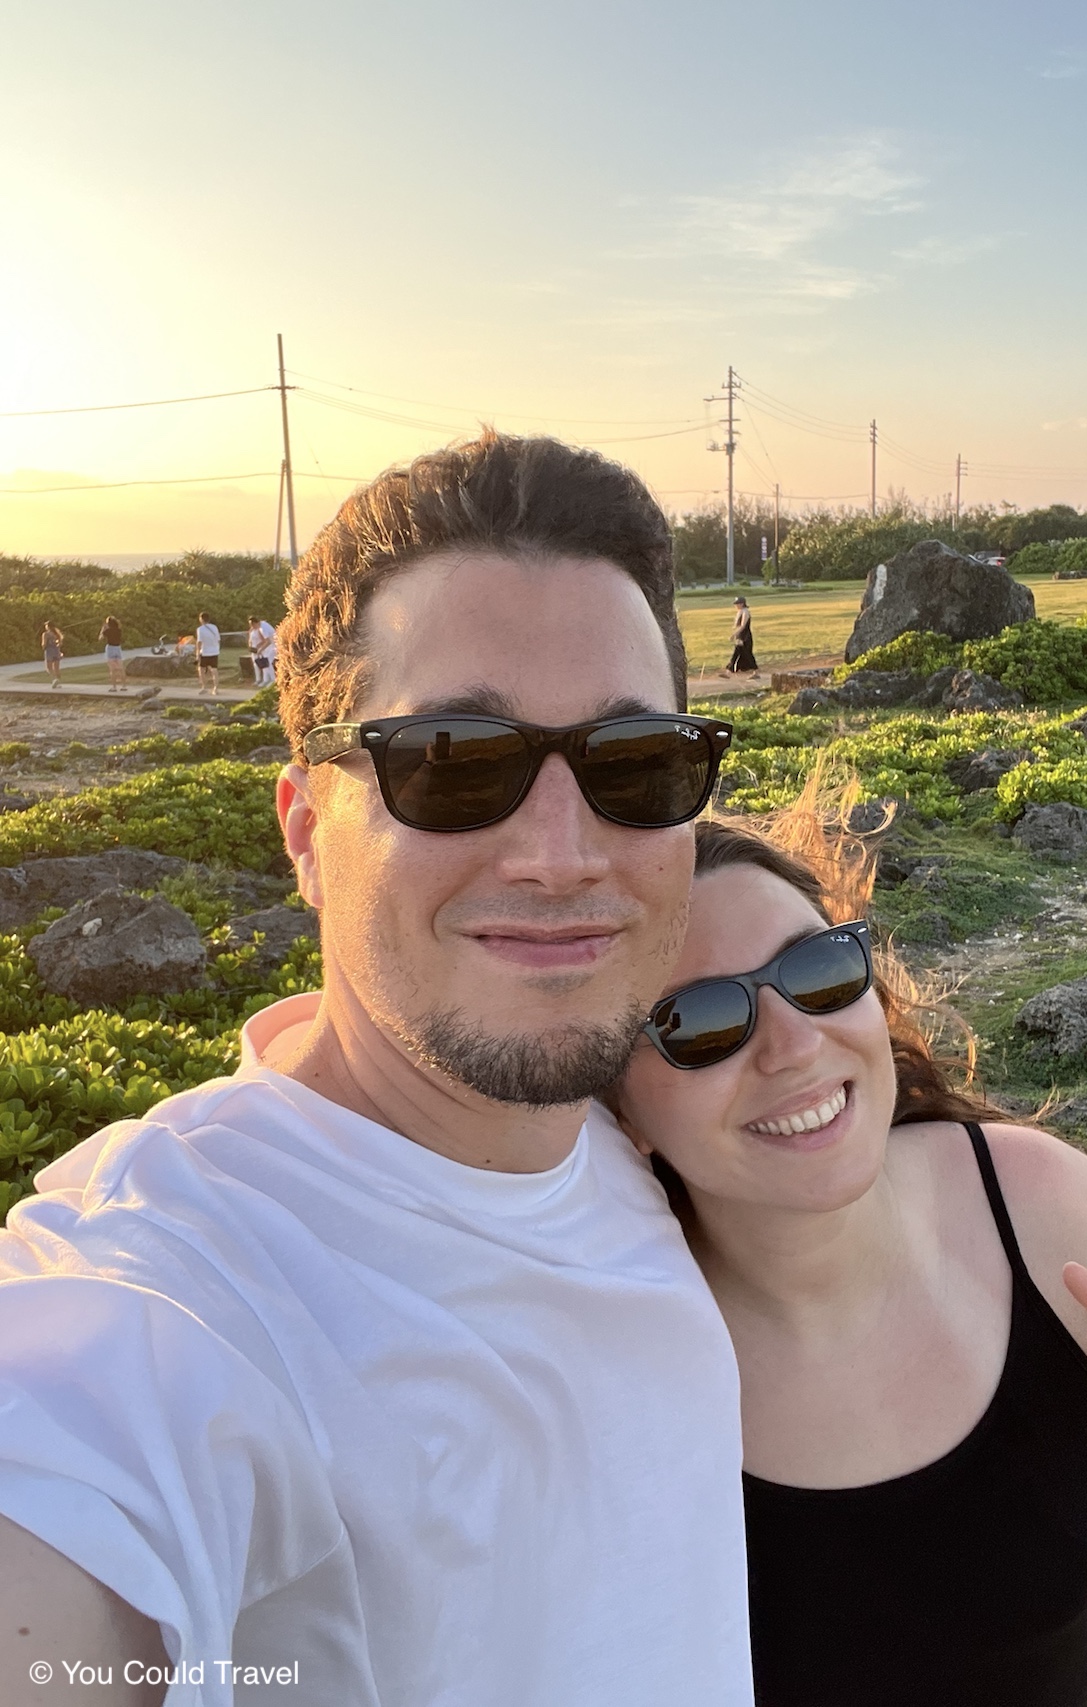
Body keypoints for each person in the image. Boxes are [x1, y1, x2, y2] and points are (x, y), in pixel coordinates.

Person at [0, 433, 754, 1707]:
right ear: (305, 828)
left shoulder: (667, 1139)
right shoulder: (171, 1286)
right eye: (454, 761)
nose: (561, 854)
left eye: (635, 765)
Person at [613, 800, 1087, 1707]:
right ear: (620, 1105)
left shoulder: (1034, 1205)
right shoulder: (603, 1346)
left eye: (818, 969)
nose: (797, 1044)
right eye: (698, 1021)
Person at [724, 595, 759, 676]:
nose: (736, 605)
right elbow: (736, 625)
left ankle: (755, 672)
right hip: (740, 636)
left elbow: (743, 626)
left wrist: (734, 634)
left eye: (737, 603)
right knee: (737, 653)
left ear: (742, 604)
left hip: (745, 636)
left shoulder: (745, 612)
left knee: (747, 654)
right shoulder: (740, 612)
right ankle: (729, 671)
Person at [195, 610, 220, 696]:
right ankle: (215, 688)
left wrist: (197, 654)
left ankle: (204, 687)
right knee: (214, 670)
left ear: (201, 619)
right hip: (215, 651)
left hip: (205, 651)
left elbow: (199, 642)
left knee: (201, 669)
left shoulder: (200, 629)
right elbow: (218, 639)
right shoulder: (214, 627)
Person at [247, 614, 276, 686]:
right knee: (266, 663)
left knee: (267, 662)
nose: (252, 627)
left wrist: (260, 649)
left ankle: (273, 680)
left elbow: (268, 641)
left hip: (274, 645)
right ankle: (268, 680)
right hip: (271, 645)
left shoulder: (263, 628)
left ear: (254, 623)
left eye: (252, 625)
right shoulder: (262, 625)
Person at [99, 614, 126, 692]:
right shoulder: (118, 630)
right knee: (121, 668)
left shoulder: (107, 631)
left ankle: (114, 687)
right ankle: (124, 686)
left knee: (112, 669)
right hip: (118, 648)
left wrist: (103, 629)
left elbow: (100, 638)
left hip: (110, 648)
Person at [40, 621, 63, 689]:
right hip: (56, 651)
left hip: (49, 651)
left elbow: (44, 644)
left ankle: (54, 679)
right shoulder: (57, 634)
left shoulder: (45, 634)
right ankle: (58, 681)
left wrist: (43, 647)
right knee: (56, 668)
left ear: (47, 627)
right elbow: (60, 644)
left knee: (49, 667)